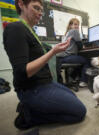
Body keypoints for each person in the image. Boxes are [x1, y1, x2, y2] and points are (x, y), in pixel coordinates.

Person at [3, 0, 86, 130]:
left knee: (73, 97)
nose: (40, 13)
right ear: (21, 5)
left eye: (41, 10)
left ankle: (35, 107)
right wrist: (53, 52)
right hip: (32, 89)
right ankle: (30, 115)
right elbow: (22, 72)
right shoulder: (15, 29)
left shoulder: (30, 32)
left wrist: (55, 49)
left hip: (46, 82)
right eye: (36, 8)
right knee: (79, 112)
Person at [56, 18, 90, 87]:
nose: (76, 26)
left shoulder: (66, 34)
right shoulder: (74, 31)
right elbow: (80, 46)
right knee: (87, 60)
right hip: (68, 56)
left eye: (77, 25)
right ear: (70, 25)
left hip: (61, 58)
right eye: (74, 24)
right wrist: (84, 46)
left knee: (79, 59)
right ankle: (83, 81)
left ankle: (74, 78)